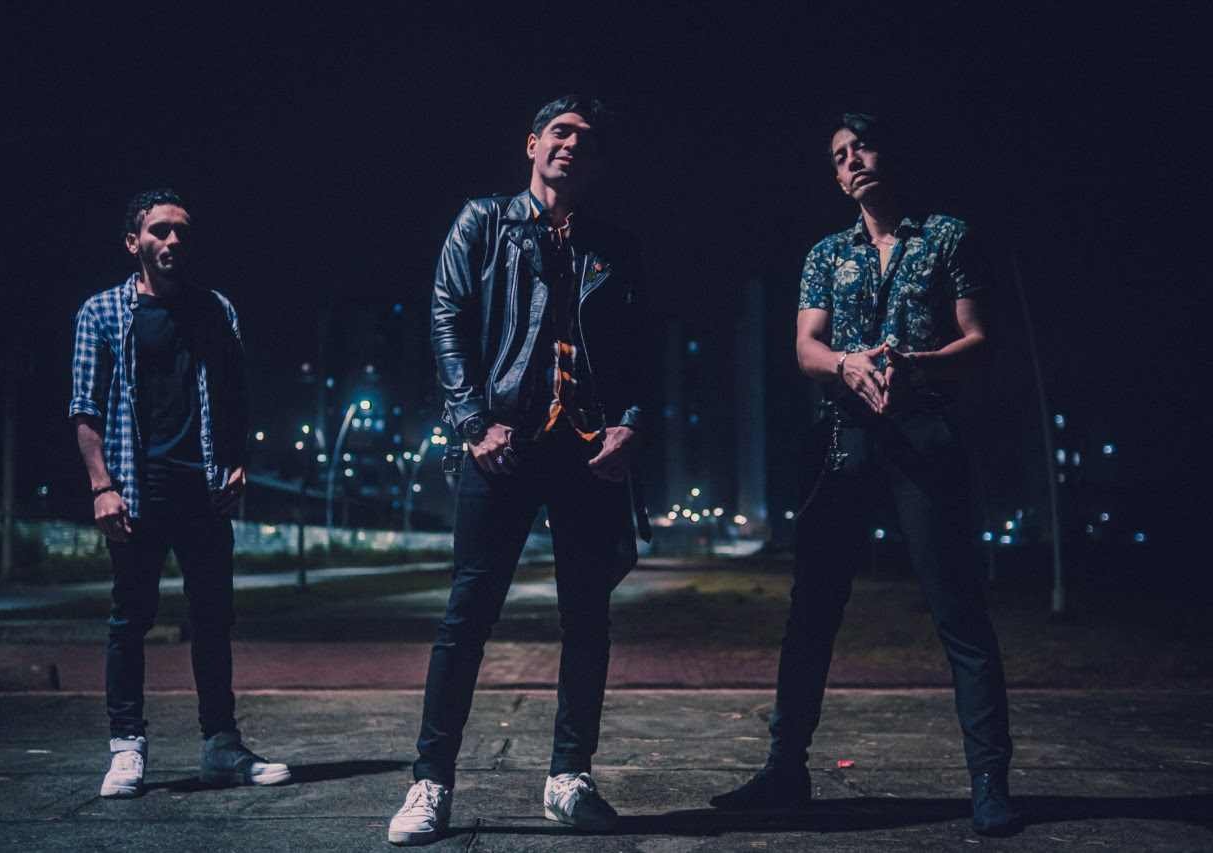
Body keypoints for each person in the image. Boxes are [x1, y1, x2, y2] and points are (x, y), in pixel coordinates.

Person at [710, 113, 1021, 837]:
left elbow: (979, 338)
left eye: (862, 147)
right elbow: (806, 347)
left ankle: (990, 782)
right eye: (839, 156)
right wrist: (846, 364)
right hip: (844, 437)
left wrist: (920, 366)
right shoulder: (826, 253)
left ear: (891, 153)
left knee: (959, 609)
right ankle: (785, 770)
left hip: (925, 433)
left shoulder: (947, 236)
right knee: (812, 610)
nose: (852, 161)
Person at [387, 95, 650, 845]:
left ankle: (570, 777)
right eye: (559, 132)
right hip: (502, 442)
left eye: (586, 138)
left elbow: (637, 347)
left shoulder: (613, 245)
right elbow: (447, 315)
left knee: (587, 617)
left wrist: (631, 422)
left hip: (586, 447)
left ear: (595, 160)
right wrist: (473, 422)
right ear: (532, 144)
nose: (571, 144)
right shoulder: (483, 221)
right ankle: (430, 782)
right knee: (467, 615)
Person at [69, 188, 288, 798]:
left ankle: (221, 745)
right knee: (130, 619)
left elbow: (235, 392)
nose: (172, 241)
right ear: (133, 242)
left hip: (203, 490)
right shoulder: (102, 313)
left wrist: (237, 461)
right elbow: (85, 408)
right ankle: (126, 747)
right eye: (160, 230)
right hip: (135, 491)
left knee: (213, 620)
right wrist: (101, 486)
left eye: (181, 232)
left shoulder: (216, 309)